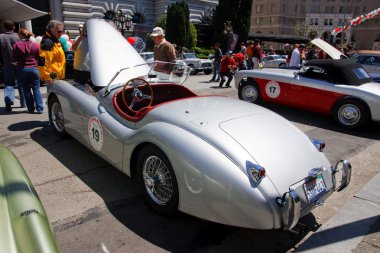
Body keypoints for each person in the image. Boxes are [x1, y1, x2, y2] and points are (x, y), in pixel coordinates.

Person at [13, 28, 43, 114]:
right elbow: (39, 57)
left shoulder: (16, 45)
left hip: (22, 69)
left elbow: (15, 58)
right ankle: (40, 108)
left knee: (26, 89)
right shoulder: (36, 45)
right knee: (36, 89)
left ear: (21, 35)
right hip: (34, 68)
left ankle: (30, 109)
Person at [0, 20, 26, 111]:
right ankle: (23, 103)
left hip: (7, 63)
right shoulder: (18, 37)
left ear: (4, 27)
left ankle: (8, 101)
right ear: (14, 27)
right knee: (21, 83)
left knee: (8, 84)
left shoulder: (1, 37)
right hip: (19, 63)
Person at [38, 20, 66, 93]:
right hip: (52, 77)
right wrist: (48, 77)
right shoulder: (47, 42)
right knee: (53, 96)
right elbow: (44, 61)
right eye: (58, 31)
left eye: (62, 31)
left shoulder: (55, 40)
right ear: (51, 29)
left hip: (57, 75)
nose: (61, 34)